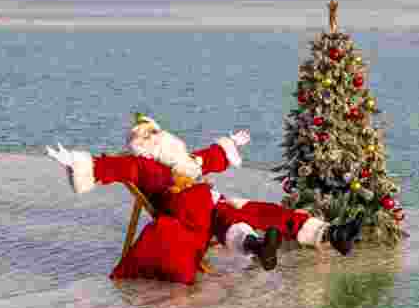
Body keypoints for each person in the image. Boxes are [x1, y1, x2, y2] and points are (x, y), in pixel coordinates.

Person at [45, 115, 362, 285]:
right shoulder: (140, 164)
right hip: (185, 208)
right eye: (148, 136)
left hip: (212, 202)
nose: (154, 138)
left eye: (154, 133)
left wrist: (229, 145)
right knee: (227, 217)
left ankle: (332, 234)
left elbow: (209, 158)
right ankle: (255, 246)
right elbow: (108, 167)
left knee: (260, 211)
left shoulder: (185, 160)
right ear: (142, 143)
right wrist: (75, 161)